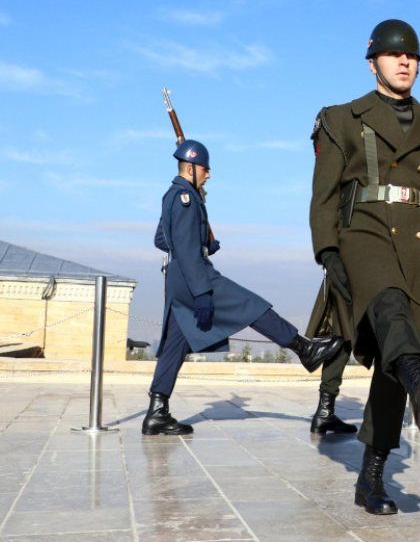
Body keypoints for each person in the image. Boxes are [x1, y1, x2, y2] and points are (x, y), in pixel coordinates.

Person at [309, 18, 420, 516]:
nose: (404, 62)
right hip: (364, 232)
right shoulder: (342, 118)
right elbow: (324, 195)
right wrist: (328, 251)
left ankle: (371, 476)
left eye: (412, 56)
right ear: (372, 62)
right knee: (393, 311)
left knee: (397, 360)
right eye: (395, 55)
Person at [145, 140, 345, 436]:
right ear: (191, 168)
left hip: (178, 278)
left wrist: (205, 244)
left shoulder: (173, 195)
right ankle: (304, 349)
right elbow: (186, 251)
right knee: (250, 306)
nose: (209, 174)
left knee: (176, 342)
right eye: (205, 169)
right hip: (194, 275)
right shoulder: (186, 197)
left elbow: (162, 239)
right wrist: (201, 291)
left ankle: (156, 412)